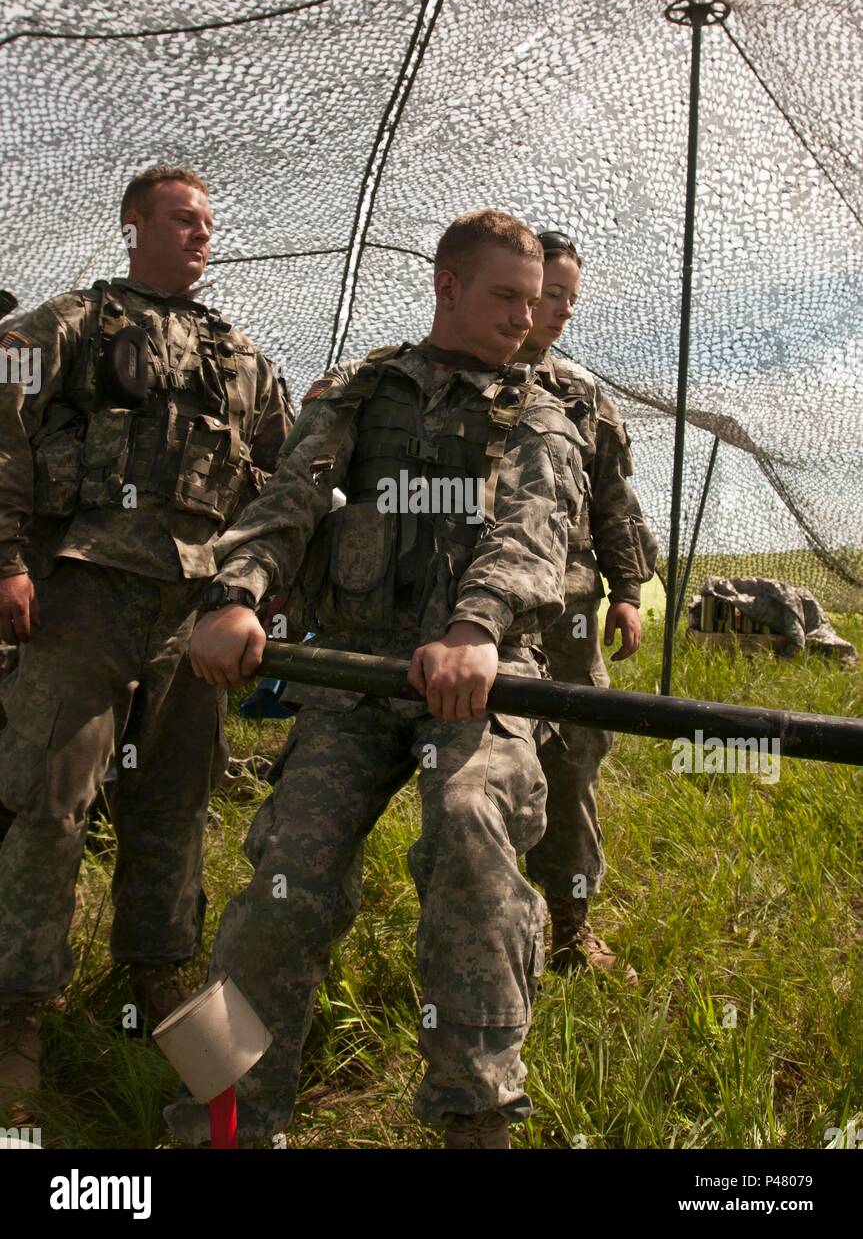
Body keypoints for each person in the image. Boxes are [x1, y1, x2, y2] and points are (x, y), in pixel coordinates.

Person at [164, 209, 586, 1150]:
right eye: (505, 296)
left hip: (484, 678)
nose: (525, 317)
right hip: (354, 677)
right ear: (446, 287)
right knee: (284, 878)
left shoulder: (541, 409)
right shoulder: (360, 390)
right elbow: (292, 496)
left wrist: (475, 628)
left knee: (474, 835)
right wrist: (238, 593)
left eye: (532, 298)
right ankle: (218, 1117)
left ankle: (478, 1117)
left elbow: (530, 529)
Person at [0, 165, 292, 1122]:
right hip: (77, 595)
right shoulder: (68, 326)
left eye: (209, 221)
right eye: (180, 219)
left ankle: (157, 983)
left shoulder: (241, 358)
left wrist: (253, 595)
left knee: (173, 806)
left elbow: (283, 487)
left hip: (188, 616)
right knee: (48, 798)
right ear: (133, 226)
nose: (200, 234)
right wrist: (5, 557)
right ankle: (17, 1015)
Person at [519, 230, 658, 981]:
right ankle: (480, 929)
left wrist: (627, 592)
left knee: (571, 761)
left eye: (570, 298)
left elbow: (614, 501)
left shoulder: (579, 392)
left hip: (569, 611)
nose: (560, 311)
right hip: (474, 618)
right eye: (550, 294)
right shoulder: (456, 381)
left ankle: (570, 930)